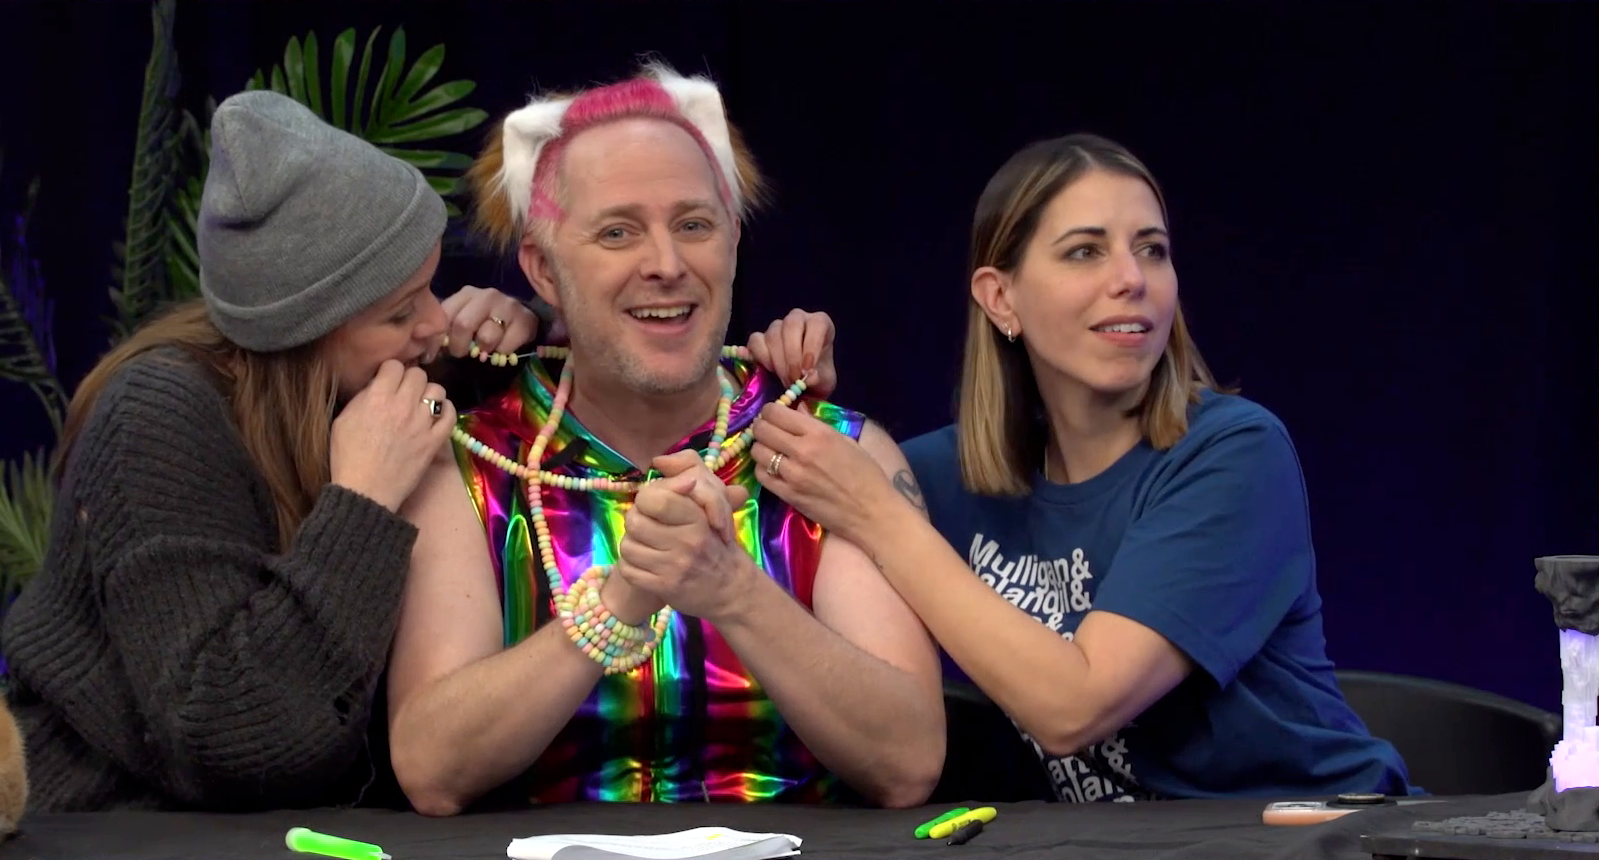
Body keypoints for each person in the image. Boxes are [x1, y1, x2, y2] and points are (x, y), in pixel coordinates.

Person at [746, 133, 1415, 802]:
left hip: (1314, 838)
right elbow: (824, 471)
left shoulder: (1236, 455)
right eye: (1086, 252)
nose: (1131, 278)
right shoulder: (953, 476)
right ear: (1000, 298)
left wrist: (880, 516)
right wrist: (792, 392)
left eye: (1151, 249)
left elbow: (1076, 707)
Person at [382, 63, 946, 817]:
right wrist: (617, 602)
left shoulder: (831, 451)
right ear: (542, 270)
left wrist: (733, 589)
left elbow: (908, 763)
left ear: (734, 243)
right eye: (617, 232)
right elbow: (431, 769)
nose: (667, 265)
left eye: (693, 225)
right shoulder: (470, 464)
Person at [0, 88, 571, 814]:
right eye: (401, 311)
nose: (433, 323)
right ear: (305, 333)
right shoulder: (158, 421)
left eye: (431, 288)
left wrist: (531, 326)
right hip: (110, 825)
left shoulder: (363, 378)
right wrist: (361, 504)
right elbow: (232, 742)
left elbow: (578, 390)